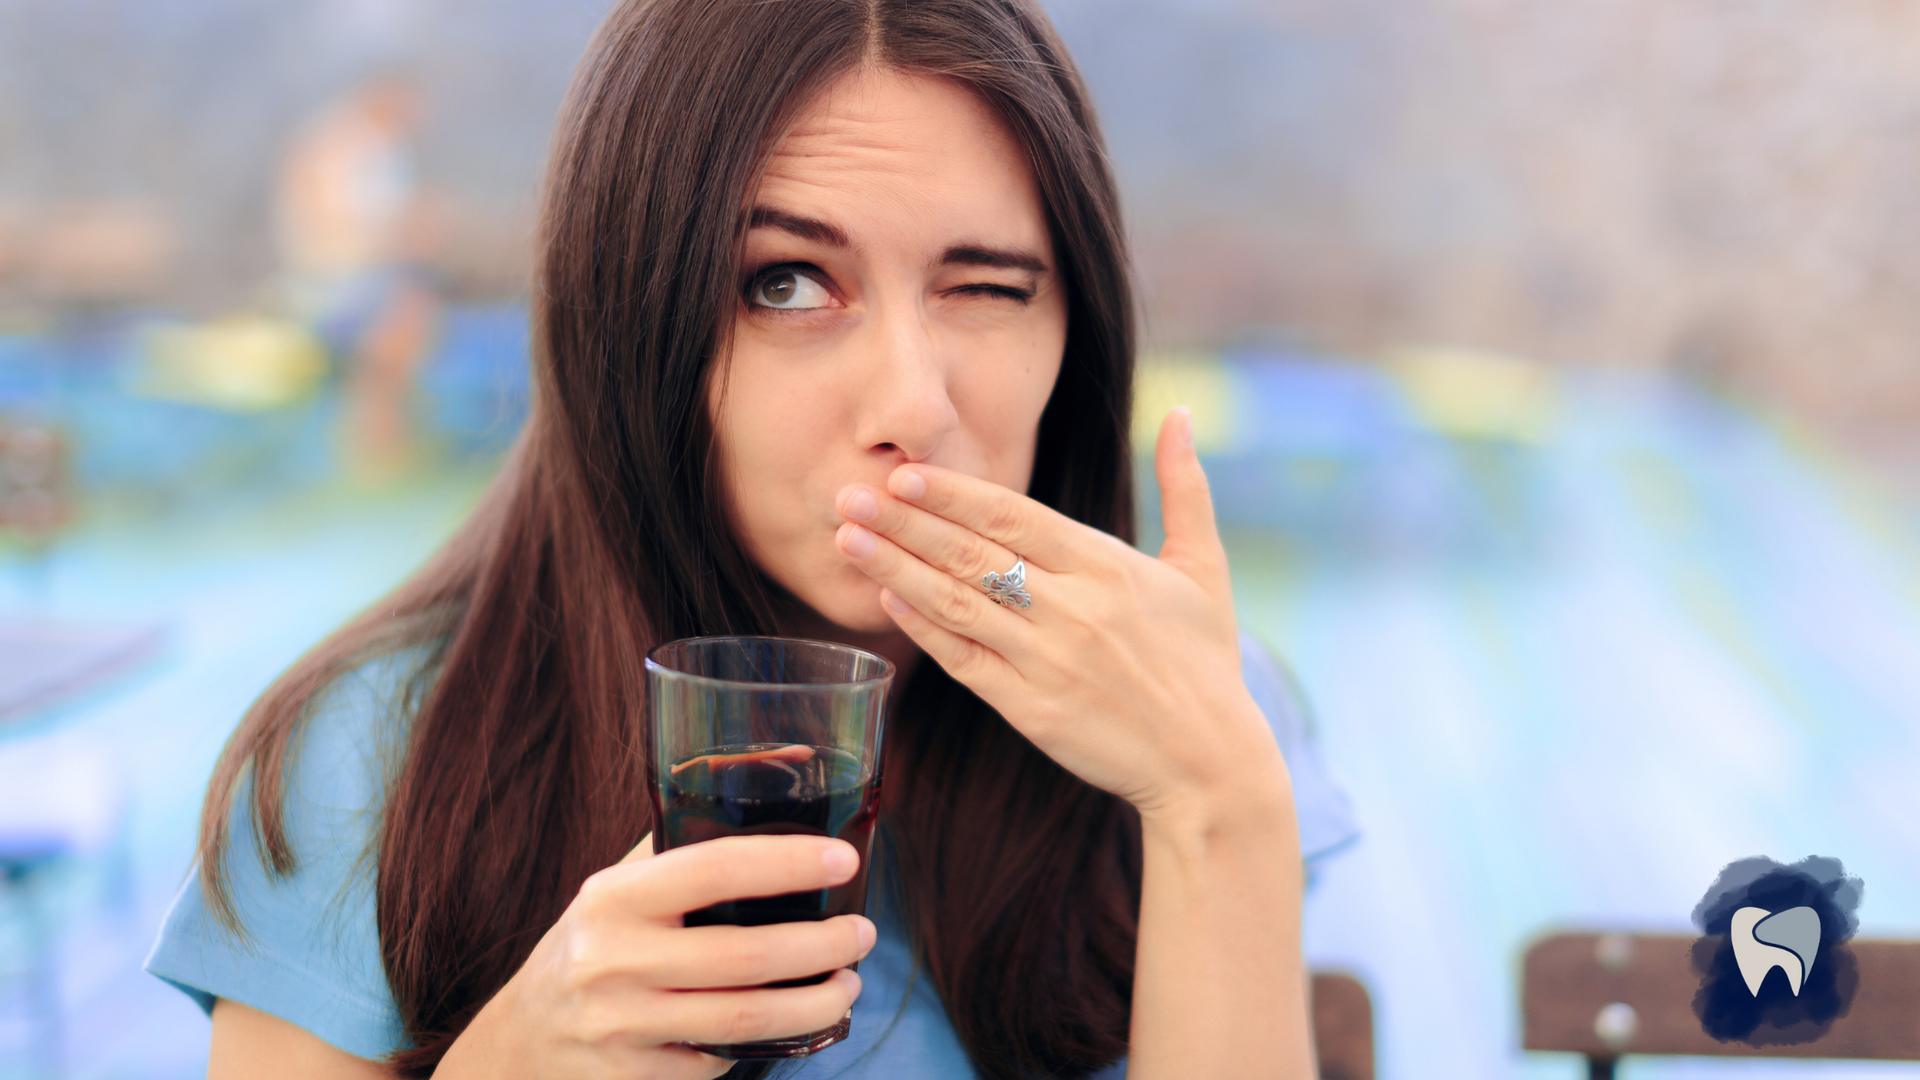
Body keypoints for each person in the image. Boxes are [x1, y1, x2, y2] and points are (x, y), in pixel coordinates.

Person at [146, 2, 1360, 1077]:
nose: (912, 407)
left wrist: (1220, 805)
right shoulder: (369, 761)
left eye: (985, 286)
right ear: (629, 323)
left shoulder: (1207, 713)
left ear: (1075, 336)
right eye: (785, 282)